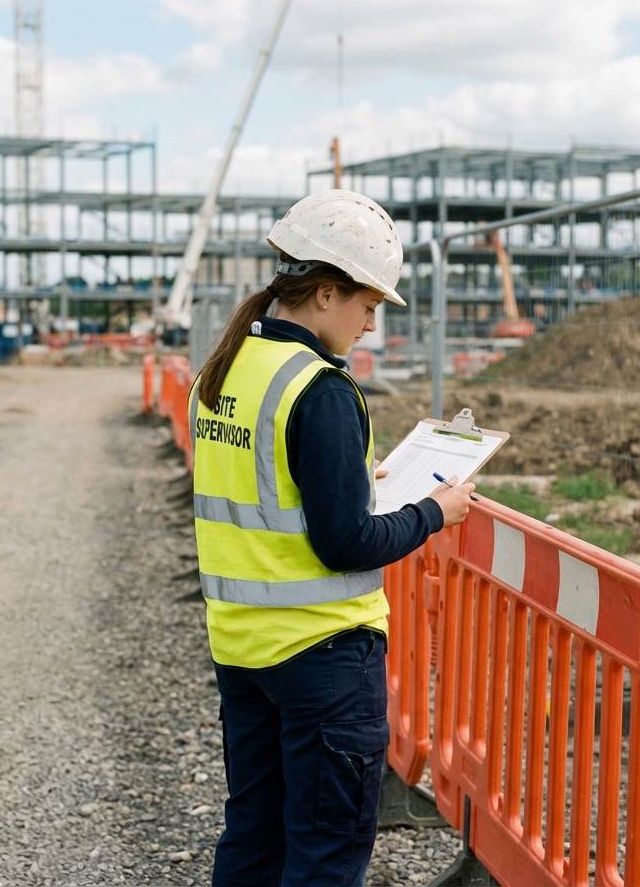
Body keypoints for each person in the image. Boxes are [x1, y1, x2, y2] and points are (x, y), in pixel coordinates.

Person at [189, 189, 476, 886]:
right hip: (321, 657)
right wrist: (435, 510)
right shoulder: (320, 388)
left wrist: (347, 478)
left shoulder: (223, 371)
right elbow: (344, 544)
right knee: (324, 854)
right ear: (324, 293)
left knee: (253, 839)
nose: (370, 324)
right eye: (368, 306)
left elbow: (264, 488)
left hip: (242, 648)